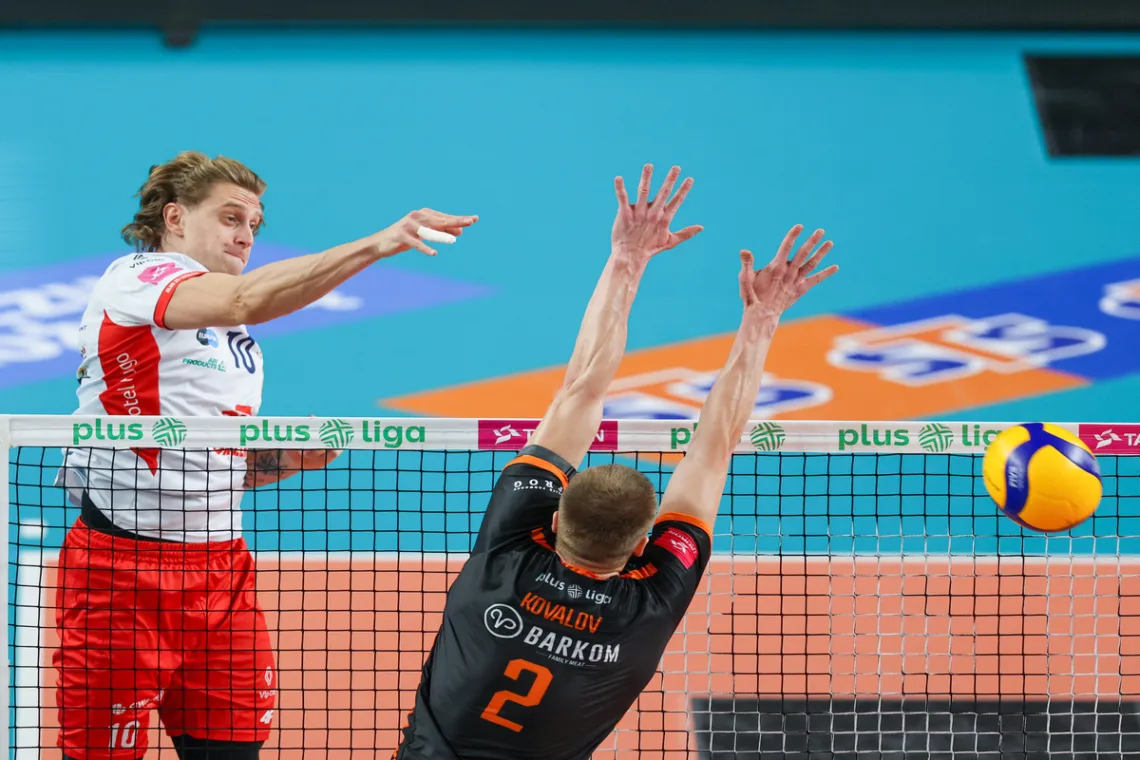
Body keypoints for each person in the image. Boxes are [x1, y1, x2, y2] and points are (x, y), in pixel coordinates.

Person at [393, 164, 838, 760]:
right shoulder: (646, 601)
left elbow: (583, 390)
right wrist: (761, 319)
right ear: (640, 546)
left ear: (553, 521)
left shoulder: (510, 555)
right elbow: (715, 447)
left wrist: (627, 258)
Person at [52, 150, 477, 760]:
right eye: (230, 218)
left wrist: (282, 461)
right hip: (121, 579)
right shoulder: (137, 278)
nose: (246, 235)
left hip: (222, 573)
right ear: (175, 217)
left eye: (253, 224)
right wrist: (378, 244)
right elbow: (246, 298)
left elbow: (208, 460)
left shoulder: (235, 344)